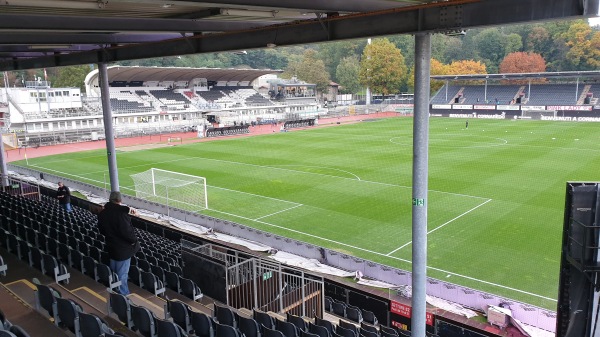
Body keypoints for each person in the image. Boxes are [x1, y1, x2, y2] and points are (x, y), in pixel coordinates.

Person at [98, 191, 139, 295]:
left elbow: (102, 230)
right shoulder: (121, 214)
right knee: (122, 275)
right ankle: (123, 296)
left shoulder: (103, 213)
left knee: (115, 273)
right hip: (122, 251)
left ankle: (115, 292)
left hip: (111, 248)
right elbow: (127, 233)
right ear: (120, 200)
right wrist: (135, 241)